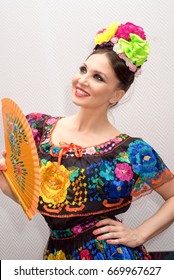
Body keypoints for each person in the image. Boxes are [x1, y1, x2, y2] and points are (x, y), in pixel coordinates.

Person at [0, 21, 174, 260]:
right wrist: (8, 185)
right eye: (83, 69)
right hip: (57, 256)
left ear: (116, 95)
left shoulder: (131, 151)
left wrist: (139, 234)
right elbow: (41, 205)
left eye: (98, 78)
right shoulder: (37, 129)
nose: (82, 80)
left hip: (110, 260)